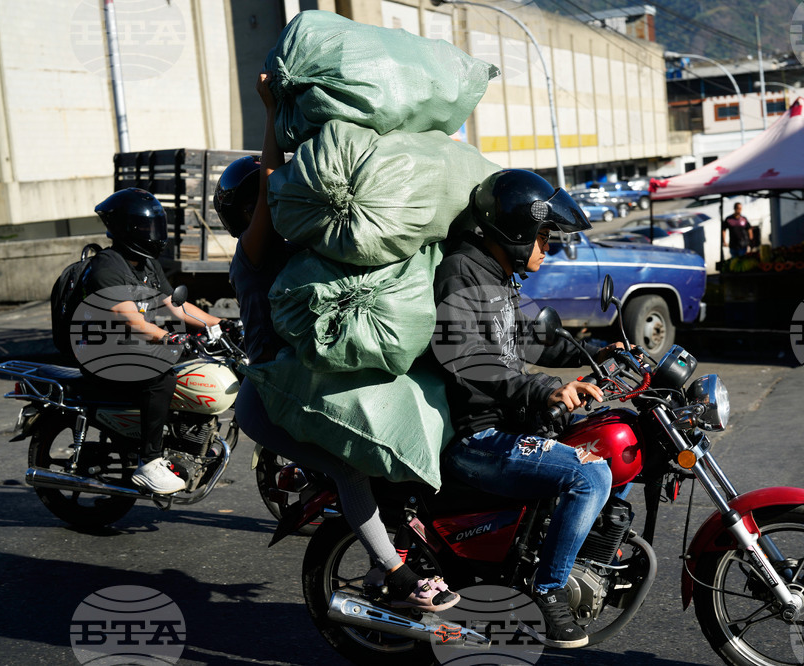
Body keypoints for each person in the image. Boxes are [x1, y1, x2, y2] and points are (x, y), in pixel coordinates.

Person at [222, 72, 458, 613]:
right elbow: (272, 186)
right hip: (271, 398)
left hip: (305, 384)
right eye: (263, 200)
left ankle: (405, 550)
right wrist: (272, 112)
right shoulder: (253, 255)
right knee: (349, 466)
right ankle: (396, 574)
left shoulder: (307, 248)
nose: (277, 199)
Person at [432, 169, 617, 647]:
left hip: (509, 424)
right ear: (514, 230)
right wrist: (544, 390)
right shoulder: (460, 271)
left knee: (606, 439)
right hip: (479, 437)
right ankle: (548, 592)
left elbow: (538, 339)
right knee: (589, 475)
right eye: (542, 236)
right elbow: (464, 359)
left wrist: (601, 352)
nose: (545, 247)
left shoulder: (499, 278)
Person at [84, 188, 226, 494]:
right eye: (145, 226)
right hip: (100, 354)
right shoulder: (107, 266)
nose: (153, 233)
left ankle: (185, 441)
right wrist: (170, 337)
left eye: (155, 225)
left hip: (127, 348)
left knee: (193, 367)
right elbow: (132, 321)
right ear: (127, 228)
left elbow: (175, 305)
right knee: (160, 377)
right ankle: (149, 462)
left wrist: (219, 324)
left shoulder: (146, 264)